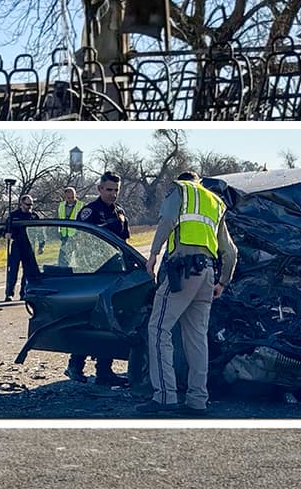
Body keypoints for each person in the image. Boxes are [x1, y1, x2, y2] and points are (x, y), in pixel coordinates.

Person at [136, 171, 238, 417]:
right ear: (199, 182)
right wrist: (223, 281)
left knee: (158, 329)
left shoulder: (179, 189)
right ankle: (197, 400)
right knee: (197, 338)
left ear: (184, 180)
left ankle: (164, 396)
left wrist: (153, 254)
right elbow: (231, 251)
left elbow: (169, 218)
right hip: (207, 275)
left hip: (183, 269)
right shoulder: (215, 202)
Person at [64, 171, 130, 386]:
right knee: (89, 321)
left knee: (110, 321)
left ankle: (104, 370)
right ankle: (75, 365)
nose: (113, 194)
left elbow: (125, 243)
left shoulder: (119, 212)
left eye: (116, 190)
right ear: (99, 189)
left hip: (115, 273)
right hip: (93, 274)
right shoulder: (90, 212)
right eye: (109, 189)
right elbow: (81, 242)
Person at [2, 194, 42, 301]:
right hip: (17, 246)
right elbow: (5, 229)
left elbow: (40, 231)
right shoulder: (14, 215)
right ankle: (9, 293)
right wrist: (6, 233)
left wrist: (41, 245)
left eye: (31, 204)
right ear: (21, 204)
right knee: (13, 270)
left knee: (27, 271)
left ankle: (23, 293)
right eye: (27, 204)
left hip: (29, 246)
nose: (29, 206)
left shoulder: (34, 216)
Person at [55, 187, 85, 268]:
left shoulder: (81, 205)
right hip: (65, 236)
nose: (71, 199)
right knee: (63, 259)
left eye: (73, 197)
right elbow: (59, 219)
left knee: (81, 259)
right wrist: (59, 232)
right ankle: (63, 274)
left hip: (77, 236)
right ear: (65, 197)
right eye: (69, 197)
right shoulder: (61, 206)